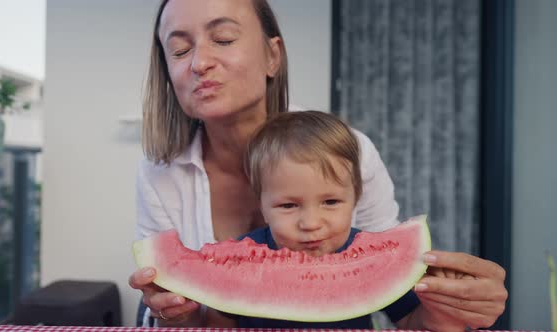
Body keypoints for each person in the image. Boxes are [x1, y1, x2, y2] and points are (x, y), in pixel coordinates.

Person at [128, 0, 508, 329]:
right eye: (179, 51)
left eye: (223, 39)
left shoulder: (348, 151)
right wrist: (176, 313)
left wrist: (453, 309)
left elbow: (399, 298)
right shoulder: (159, 171)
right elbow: (192, 313)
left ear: (272, 56)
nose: (200, 62)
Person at [202, 110, 458, 330]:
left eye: (331, 202)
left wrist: (442, 312)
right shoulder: (241, 257)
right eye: (289, 205)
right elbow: (217, 324)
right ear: (263, 206)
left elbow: (412, 321)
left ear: (356, 198)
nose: (311, 223)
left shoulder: (374, 258)